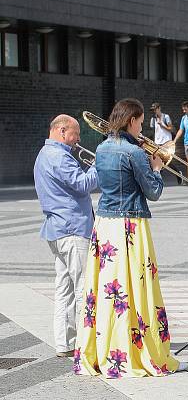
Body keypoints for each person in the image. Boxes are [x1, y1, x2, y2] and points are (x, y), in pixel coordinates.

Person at [75, 98, 187, 378]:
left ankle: (106, 351)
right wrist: (158, 169)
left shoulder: (100, 148)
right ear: (130, 121)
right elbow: (153, 192)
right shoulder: (135, 152)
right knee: (135, 289)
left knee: (109, 289)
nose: (141, 129)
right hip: (130, 225)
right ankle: (139, 353)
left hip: (105, 224)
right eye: (139, 122)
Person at [33, 115, 99, 358]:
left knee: (64, 289)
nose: (78, 140)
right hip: (73, 229)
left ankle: (65, 343)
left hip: (56, 229)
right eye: (75, 134)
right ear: (61, 131)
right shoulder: (59, 156)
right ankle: (88, 345)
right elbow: (82, 184)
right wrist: (98, 165)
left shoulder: (43, 154)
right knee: (83, 287)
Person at [149, 103, 177, 184]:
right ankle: (159, 179)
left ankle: (177, 173)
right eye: (153, 110)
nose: (154, 111)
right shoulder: (153, 119)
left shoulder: (166, 117)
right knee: (160, 160)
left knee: (167, 160)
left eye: (155, 109)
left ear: (159, 108)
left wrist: (162, 125)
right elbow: (153, 131)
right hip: (158, 142)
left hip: (166, 141)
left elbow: (171, 129)